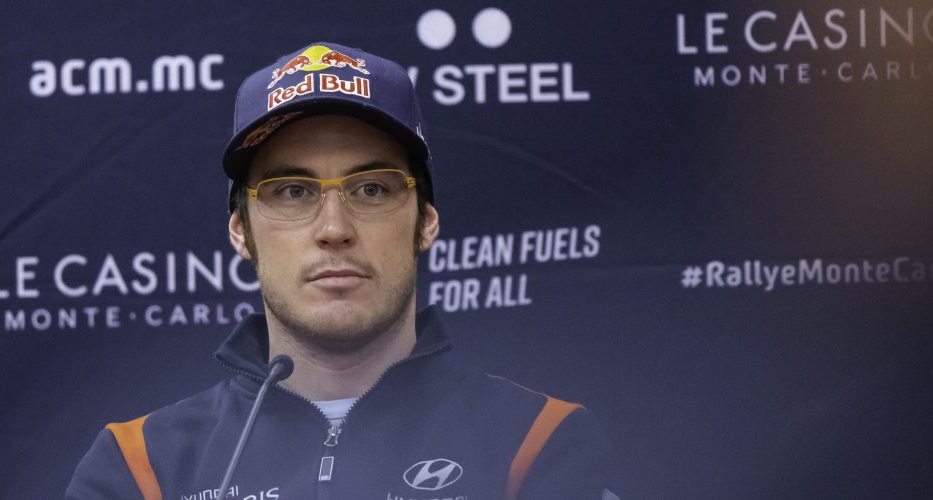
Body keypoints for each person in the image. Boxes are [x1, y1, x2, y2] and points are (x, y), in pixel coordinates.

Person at [66, 42, 617, 500]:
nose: (334, 228)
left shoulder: (537, 442)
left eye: (371, 189)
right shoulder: (141, 466)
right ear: (240, 231)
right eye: (292, 191)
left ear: (425, 222)